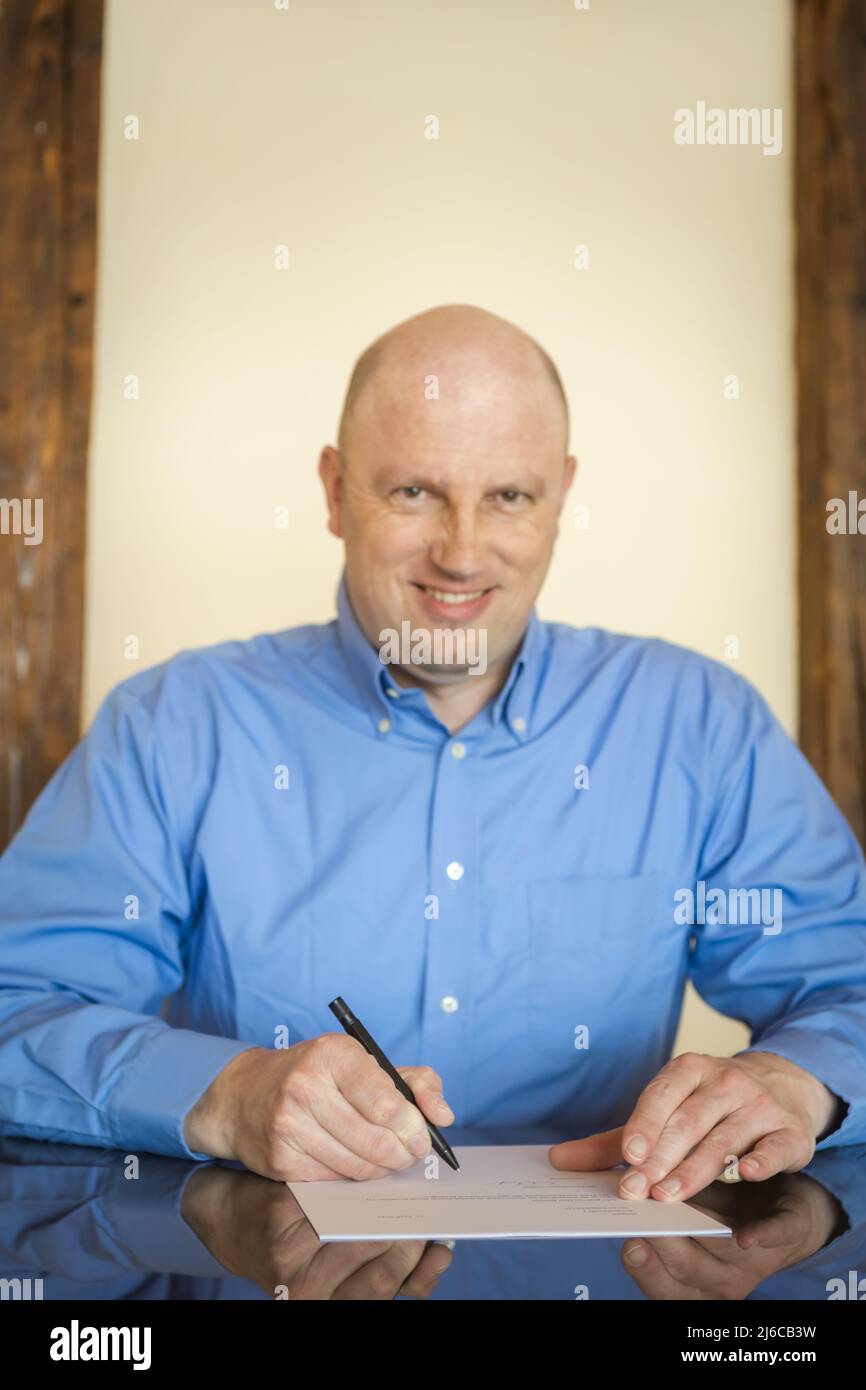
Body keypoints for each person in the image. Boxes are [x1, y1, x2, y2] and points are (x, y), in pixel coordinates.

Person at [1, 305, 864, 1207]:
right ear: (334, 492)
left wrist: (794, 1081)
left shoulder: (702, 726)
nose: (460, 552)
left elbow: (850, 986)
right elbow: (16, 1007)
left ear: (561, 497)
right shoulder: (170, 727)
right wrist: (222, 1094)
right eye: (414, 492)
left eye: (509, 497)